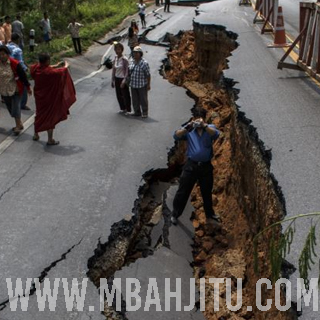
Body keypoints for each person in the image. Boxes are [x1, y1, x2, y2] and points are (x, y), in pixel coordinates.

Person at [170, 108, 221, 227]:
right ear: (193, 118)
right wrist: (188, 126)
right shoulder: (189, 130)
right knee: (183, 191)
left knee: (206, 192)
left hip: (205, 166)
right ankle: (175, 214)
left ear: (204, 118)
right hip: (191, 165)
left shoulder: (210, 128)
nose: (198, 122)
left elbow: (216, 134)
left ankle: (209, 215)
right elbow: (176, 136)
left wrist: (204, 125)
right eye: (196, 119)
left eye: (200, 119)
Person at [30, 53, 76, 145]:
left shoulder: (35, 68)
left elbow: (45, 67)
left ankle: (36, 134)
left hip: (39, 97)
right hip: (48, 98)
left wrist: (56, 65)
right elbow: (61, 72)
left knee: (39, 114)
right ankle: (50, 139)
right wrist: (66, 66)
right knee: (49, 116)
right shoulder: (50, 72)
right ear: (47, 61)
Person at [0, 45, 32, 134]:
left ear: (8, 54)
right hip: (4, 90)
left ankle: (18, 125)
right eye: (0, 54)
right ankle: (20, 123)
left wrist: (28, 87)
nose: (2, 56)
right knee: (10, 108)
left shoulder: (14, 63)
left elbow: (23, 76)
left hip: (16, 89)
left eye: (4, 54)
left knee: (15, 107)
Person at [7, 33, 30, 110]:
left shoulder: (6, 46)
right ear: (17, 40)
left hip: (7, 68)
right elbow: (20, 62)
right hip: (17, 70)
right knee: (23, 86)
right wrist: (26, 69)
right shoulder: (17, 49)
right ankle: (22, 104)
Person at [128, 46, 150, 118]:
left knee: (143, 99)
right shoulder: (131, 61)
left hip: (141, 84)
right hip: (133, 84)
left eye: (137, 53)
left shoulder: (144, 63)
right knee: (135, 99)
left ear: (140, 54)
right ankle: (137, 112)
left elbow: (148, 74)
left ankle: (145, 112)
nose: (135, 54)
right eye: (134, 53)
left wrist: (148, 84)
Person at [111, 42, 131, 114]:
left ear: (122, 50)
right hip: (117, 78)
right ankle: (122, 108)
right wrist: (112, 80)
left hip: (122, 78)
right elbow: (114, 70)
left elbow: (127, 71)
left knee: (125, 94)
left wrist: (124, 80)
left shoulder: (124, 59)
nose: (117, 51)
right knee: (118, 94)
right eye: (116, 49)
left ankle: (128, 109)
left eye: (119, 49)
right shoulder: (115, 58)